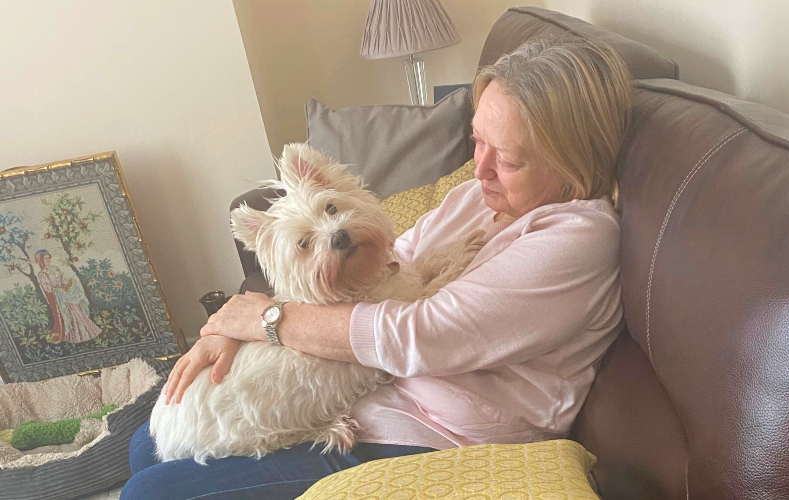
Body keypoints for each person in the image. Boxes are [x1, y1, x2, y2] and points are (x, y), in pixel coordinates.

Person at [121, 34, 632, 500]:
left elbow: (420, 332)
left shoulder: (576, 238)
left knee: (150, 494)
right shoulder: (481, 197)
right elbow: (395, 261)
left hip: (431, 437)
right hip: (367, 400)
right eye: (478, 141)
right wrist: (232, 331)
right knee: (147, 441)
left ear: (571, 161)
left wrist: (265, 320)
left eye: (509, 159)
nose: (479, 170)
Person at [35, 249, 101, 343]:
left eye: (49, 258)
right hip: (58, 296)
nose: (49, 260)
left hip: (64, 291)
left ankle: (86, 331)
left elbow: (63, 279)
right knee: (68, 313)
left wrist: (69, 281)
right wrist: (58, 289)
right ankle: (73, 335)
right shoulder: (42, 274)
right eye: (46, 259)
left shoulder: (55, 268)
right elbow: (47, 288)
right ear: (41, 260)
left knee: (76, 307)